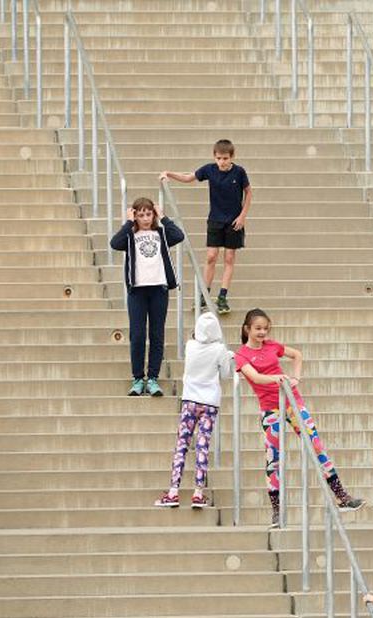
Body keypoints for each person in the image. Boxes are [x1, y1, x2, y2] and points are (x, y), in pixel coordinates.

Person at [234, 308, 364, 529]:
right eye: (257, 329)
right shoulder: (241, 355)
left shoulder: (273, 346)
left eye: (265, 328)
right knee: (272, 458)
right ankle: (277, 511)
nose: (262, 332)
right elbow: (254, 377)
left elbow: (297, 355)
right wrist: (278, 377)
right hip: (270, 409)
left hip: (292, 403)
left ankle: (342, 496)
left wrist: (296, 377)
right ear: (247, 329)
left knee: (316, 447)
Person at [159, 138, 252, 315]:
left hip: (234, 221)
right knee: (211, 256)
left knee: (229, 258)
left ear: (232, 157)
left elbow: (248, 193)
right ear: (214, 157)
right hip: (215, 220)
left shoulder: (239, 172)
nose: (222, 162)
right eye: (218, 158)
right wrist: (169, 174)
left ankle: (223, 296)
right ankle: (204, 295)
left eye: (225, 158)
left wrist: (242, 216)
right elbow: (188, 178)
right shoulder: (209, 170)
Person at [155, 312, 235, 509]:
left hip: (190, 400)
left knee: (182, 444)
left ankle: (173, 491)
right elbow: (225, 374)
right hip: (209, 403)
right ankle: (198, 493)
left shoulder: (190, 346)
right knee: (202, 446)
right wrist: (229, 357)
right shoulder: (219, 349)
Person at [110, 197, 186, 398]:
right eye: (140, 214)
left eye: (148, 214)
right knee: (137, 335)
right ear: (135, 215)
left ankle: (152, 378)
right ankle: (138, 378)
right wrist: (128, 222)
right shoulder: (129, 235)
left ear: (153, 215)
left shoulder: (160, 233)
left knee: (157, 334)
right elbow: (114, 243)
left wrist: (164, 217)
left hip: (158, 289)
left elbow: (178, 236)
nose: (145, 218)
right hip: (137, 291)